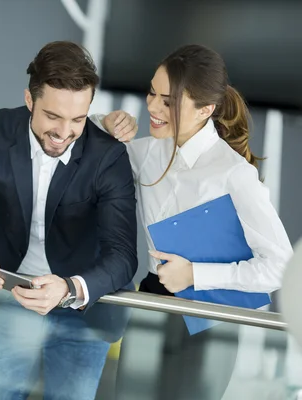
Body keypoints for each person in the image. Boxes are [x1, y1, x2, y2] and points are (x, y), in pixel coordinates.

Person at [0, 41, 139, 400]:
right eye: (53, 117)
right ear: (29, 101)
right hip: (12, 295)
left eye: (78, 119)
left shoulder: (109, 156)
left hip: (85, 306)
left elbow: (123, 256)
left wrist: (69, 289)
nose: (64, 132)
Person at [93, 44, 294, 400]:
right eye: (152, 93)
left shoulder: (234, 174)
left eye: (168, 101)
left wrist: (196, 275)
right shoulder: (145, 153)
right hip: (153, 301)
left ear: (206, 109)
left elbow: (280, 268)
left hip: (213, 316)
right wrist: (105, 123)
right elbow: (86, 144)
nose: (153, 107)